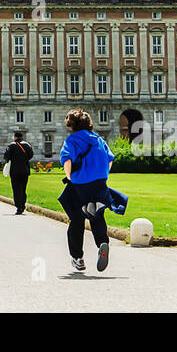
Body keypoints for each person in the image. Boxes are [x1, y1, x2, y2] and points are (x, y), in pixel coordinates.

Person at [57, 109, 120, 273]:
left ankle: (78, 258)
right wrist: (102, 175)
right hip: (99, 182)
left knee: (76, 219)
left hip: (80, 184)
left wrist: (70, 177)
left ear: (72, 125)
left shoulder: (72, 140)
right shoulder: (99, 139)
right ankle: (102, 243)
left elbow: (67, 161)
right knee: (96, 215)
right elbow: (110, 160)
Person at [3, 131, 34, 214]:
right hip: (25, 171)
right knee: (23, 189)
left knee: (16, 189)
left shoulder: (12, 145)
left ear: (15, 137)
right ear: (22, 137)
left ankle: (18, 206)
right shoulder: (27, 145)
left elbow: (6, 156)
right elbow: (30, 155)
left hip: (14, 171)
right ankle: (23, 205)